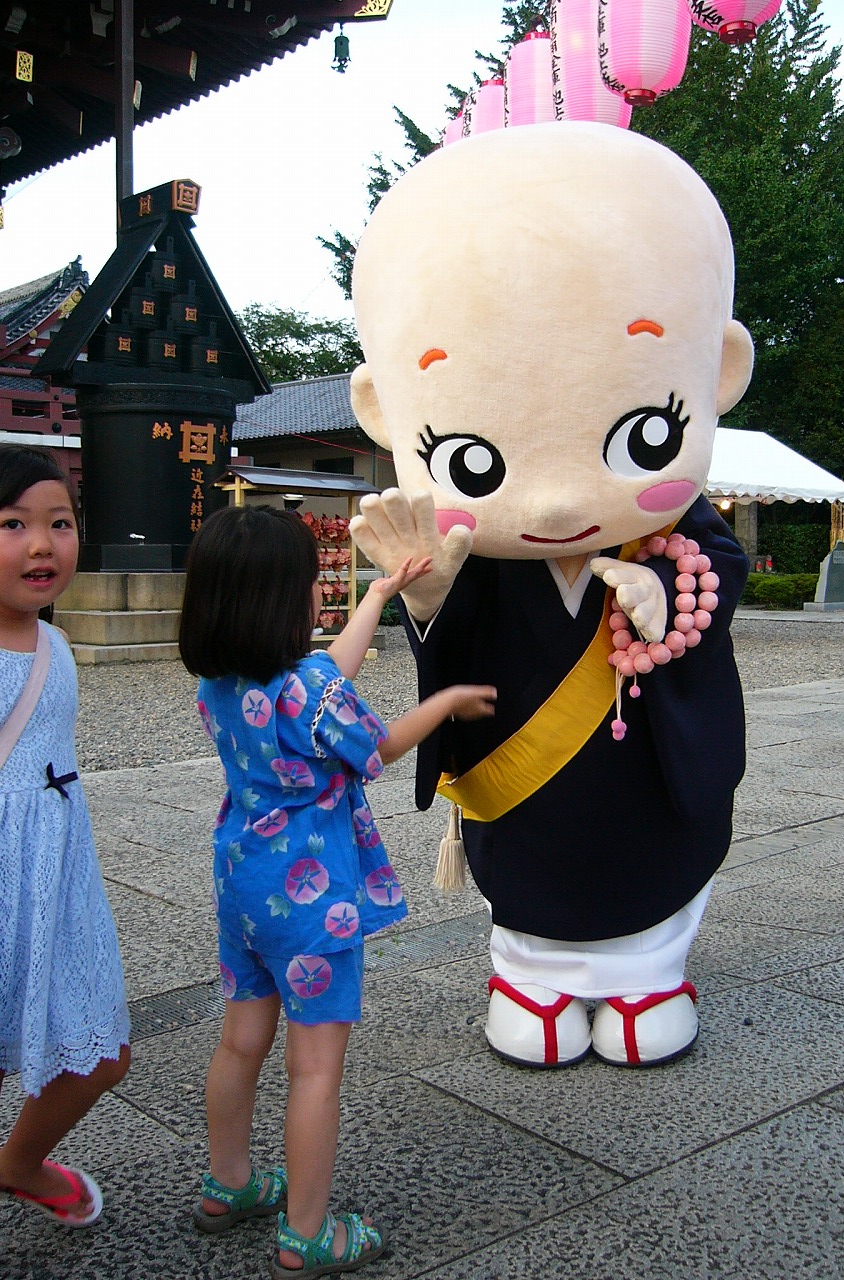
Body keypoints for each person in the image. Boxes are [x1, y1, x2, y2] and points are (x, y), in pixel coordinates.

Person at [348, 122, 754, 1069]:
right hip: (522, 771)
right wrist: (427, 599)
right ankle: (529, 977)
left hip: (642, 768)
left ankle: (651, 973)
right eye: (472, 461)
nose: (561, 505)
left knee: (647, 862)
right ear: (382, 410)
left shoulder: (676, 534)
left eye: (646, 435)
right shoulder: (478, 554)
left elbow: (717, 566)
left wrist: (666, 588)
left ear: (720, 372)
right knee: (531, 866)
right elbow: (448, 635)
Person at [178, 504, 495, 1279]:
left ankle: (229, 1184)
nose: (319, 591)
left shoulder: (220, 687)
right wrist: (446, 702)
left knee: (239, 1042)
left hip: (244, 887)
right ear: (281, 601)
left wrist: (379, 594)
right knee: (315, 1069)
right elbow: (378, 743)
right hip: (313, 906)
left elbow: (327, 672)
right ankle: (308, 1233)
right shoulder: (310, 695)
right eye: (309, 582)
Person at [0, 443, 131, 1227]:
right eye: (12, 524)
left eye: (60, 523)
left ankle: (17, 1163)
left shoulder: (55, 644)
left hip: (57, 881)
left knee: (101, 1053)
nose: (42, 545)